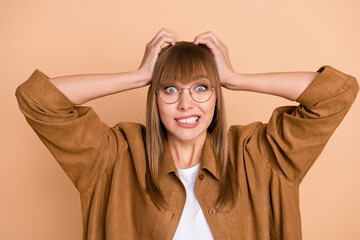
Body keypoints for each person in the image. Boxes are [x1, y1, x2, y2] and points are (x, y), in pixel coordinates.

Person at [15, 28, 358, 240]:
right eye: (169, 90)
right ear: (155, 96)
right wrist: (138, 76)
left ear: (216, 95)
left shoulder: (259, 155)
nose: (185, 104)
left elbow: (336, 93)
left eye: (201, 88)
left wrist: (234, 78)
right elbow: (38, 99)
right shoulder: (116, 157)